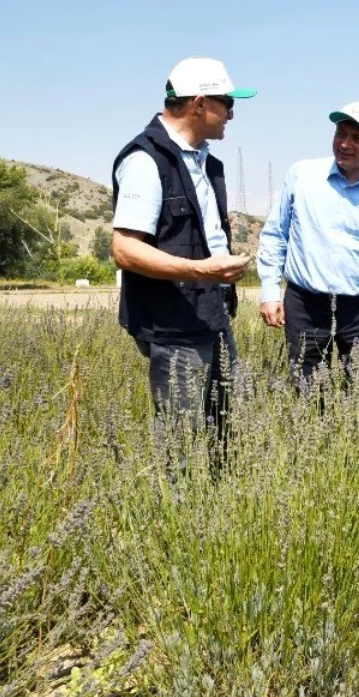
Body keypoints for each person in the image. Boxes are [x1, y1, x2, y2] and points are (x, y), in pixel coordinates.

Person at [110, 57, 256, 459]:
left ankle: (216, 510)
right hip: (173, 324)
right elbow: (125, 249)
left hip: (211, 315)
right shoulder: (145, 161)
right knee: (181, 443)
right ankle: (177, 514)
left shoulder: (206, 162)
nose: (231, 113)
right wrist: (199, 270)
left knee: (221, 436)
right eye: (227, 102)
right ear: (199, 103)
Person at [256, 102, 359, 387]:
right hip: (305, 304)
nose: (345, 144)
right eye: (340, 134)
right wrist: (270, 291)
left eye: (357, 138)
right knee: (306, 393)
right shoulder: (302, 176)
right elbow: (275, 235)